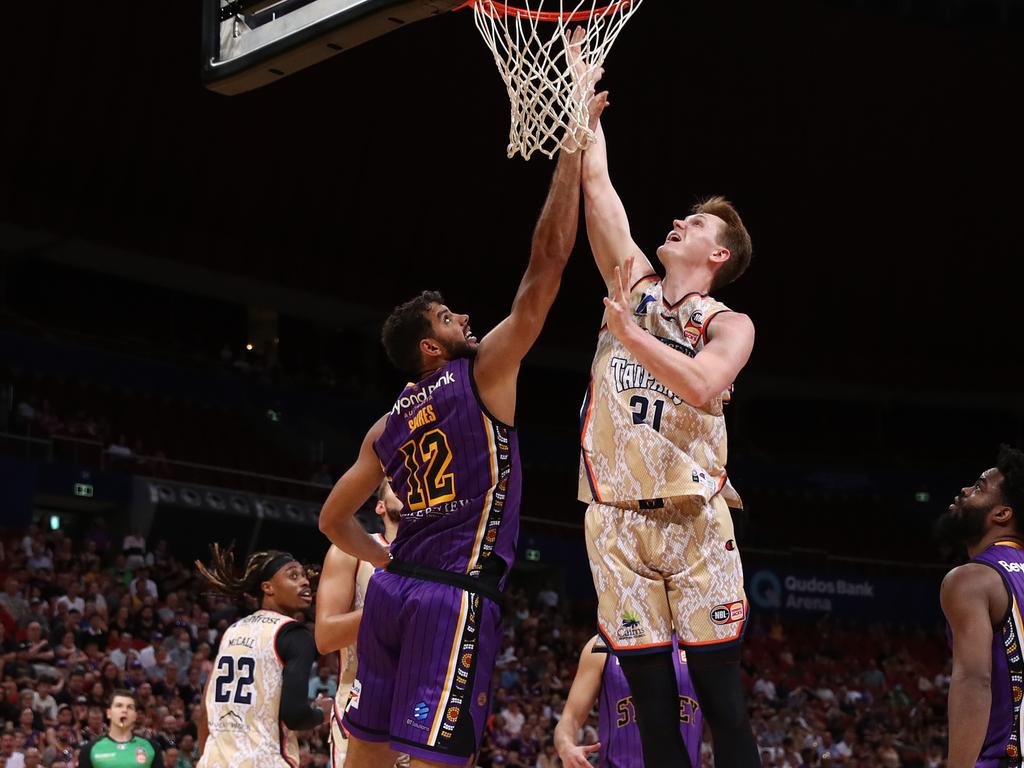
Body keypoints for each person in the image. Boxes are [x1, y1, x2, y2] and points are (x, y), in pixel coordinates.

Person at [318, 46, 602, 767]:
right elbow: (546, 268)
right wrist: (572, 142)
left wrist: (383, 557)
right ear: (429, 349)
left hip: (392, 596)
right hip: (451, 600)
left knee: (369, 761)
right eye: (448, 318)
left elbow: (328, 519)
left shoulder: (388, 424)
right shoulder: (482, 376)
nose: (464, 319)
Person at [577, 75, 759, 767]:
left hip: (693, 519)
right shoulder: (634, 284)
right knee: (651, 708)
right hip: (616, 516)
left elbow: (704, 381)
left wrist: (627, 337)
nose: (679, 223)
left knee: (721, 703)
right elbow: (600, 193)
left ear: (717, 256)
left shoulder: (731, 325)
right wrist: (582, 111)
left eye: (697, 225)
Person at [194, 545, 334, 768]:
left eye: (304, 577)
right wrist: (321, 713)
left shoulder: (233, 631)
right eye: (293, 576)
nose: (305, 582)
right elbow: (295, 716)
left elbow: (204, 711)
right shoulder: (295, 634)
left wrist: (206, 758)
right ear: (268, 587)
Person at [937, 445, 1024, 768]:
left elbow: (975, 679)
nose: (964, 491)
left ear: (1001, 514)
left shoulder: (974, 579)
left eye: (979, 487)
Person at [315, 480, 404, 767]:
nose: (407, 481)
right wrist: (386, 606)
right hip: (360, 700)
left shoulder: (441, 563)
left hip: (421, 708)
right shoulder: (349, 552)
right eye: (396, 481)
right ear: (380, 506)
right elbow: (326, 637)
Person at [555, 635, 701, 768]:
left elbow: (721, 721)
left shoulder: (698, 641)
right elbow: (570, 718)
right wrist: (566, 747)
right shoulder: (602, 645)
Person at [77, 689, 161, 767]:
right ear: (109, 713)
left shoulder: (151, 747)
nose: (124, 710)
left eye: (130, 707)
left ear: (135, 716)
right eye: (119, 706)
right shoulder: (90, 749)